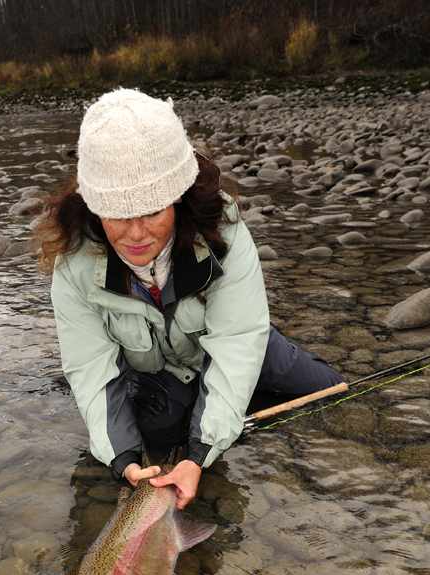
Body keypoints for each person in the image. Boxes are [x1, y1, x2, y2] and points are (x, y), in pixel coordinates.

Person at [38, 88, 342, 509]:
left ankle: (230, 403)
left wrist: (201, 452)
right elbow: (90, 367)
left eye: (152, 210)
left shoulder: (224, 230)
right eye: (118, 214)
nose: (137, 234)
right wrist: (122, 460)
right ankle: (218, 408)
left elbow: (237, 341)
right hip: (157, 368)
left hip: (234, 339)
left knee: (332, 394)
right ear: (93, 208)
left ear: (178, 199)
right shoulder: (73, 263)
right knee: (155, 437)